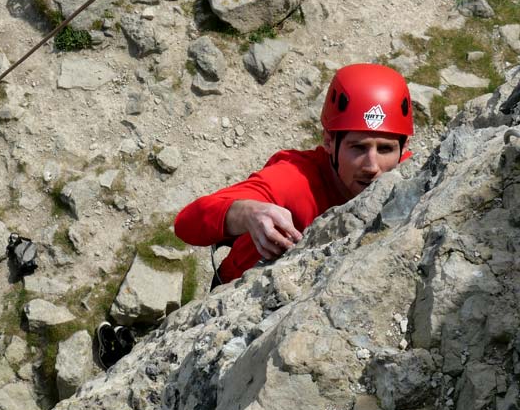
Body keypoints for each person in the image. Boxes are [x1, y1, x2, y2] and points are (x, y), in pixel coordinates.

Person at [174, 63, 414, 285]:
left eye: (385, 149)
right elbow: (187, 223)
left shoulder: (413, 175)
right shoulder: (294, 180)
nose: (372, 166)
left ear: (402, 149)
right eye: (358, 147)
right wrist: (247, 213)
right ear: (329, 141)